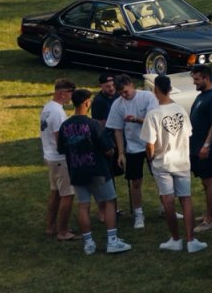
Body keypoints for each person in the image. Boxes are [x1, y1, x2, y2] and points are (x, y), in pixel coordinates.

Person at [59, 87, 130, 255]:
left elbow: (62, 149)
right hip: (97, 171)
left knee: (83, 206)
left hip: (76, 171)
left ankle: (88, 243)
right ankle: (112, 240)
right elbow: (107, 150)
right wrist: (112, 153)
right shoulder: (94, 125)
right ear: (86, 103)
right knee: (109, 202)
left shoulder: (65, 126)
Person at [144, 74, 202, 253]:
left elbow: (149, 144)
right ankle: (191, 240)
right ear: (170, 89)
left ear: (156, 91)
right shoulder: (181, 110)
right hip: (182, 161)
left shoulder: (153, 114)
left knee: (168, 201)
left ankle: (175, 239)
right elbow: (188, 134)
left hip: (163, 164)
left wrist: (151, 157)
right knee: (186, 200)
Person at [107, 71, 157, 231]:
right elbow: (117, 131)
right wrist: (121, 153)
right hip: (133, 148)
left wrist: (136, 119)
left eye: (125, 91)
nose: (124, 95)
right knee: (135, 182)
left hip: (152, 143)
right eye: (120, 93)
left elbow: (153, 120)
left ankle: (166, 207)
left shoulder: (147, 97)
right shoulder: (117, 105)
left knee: (160, 177)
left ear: (131, 85)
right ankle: (138, 214)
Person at [188, 63, 212, 234]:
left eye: (197, 79)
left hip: (207, 149)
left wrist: (206, 145)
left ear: (206, 78)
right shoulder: (203, 95)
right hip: (198, 147)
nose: (194, 82)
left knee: (209, 182)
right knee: (209, 182)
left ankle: (210, 220)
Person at [41, 78, 76, 241]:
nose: (71, 97)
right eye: (70, 93)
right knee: (67, 195)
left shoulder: (47, 107)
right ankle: (63, 231)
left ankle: (50, 226)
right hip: (60, 158)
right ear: (63, 93)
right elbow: (60, 138)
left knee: (55, 193)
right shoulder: (58, 112)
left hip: (49, 156)